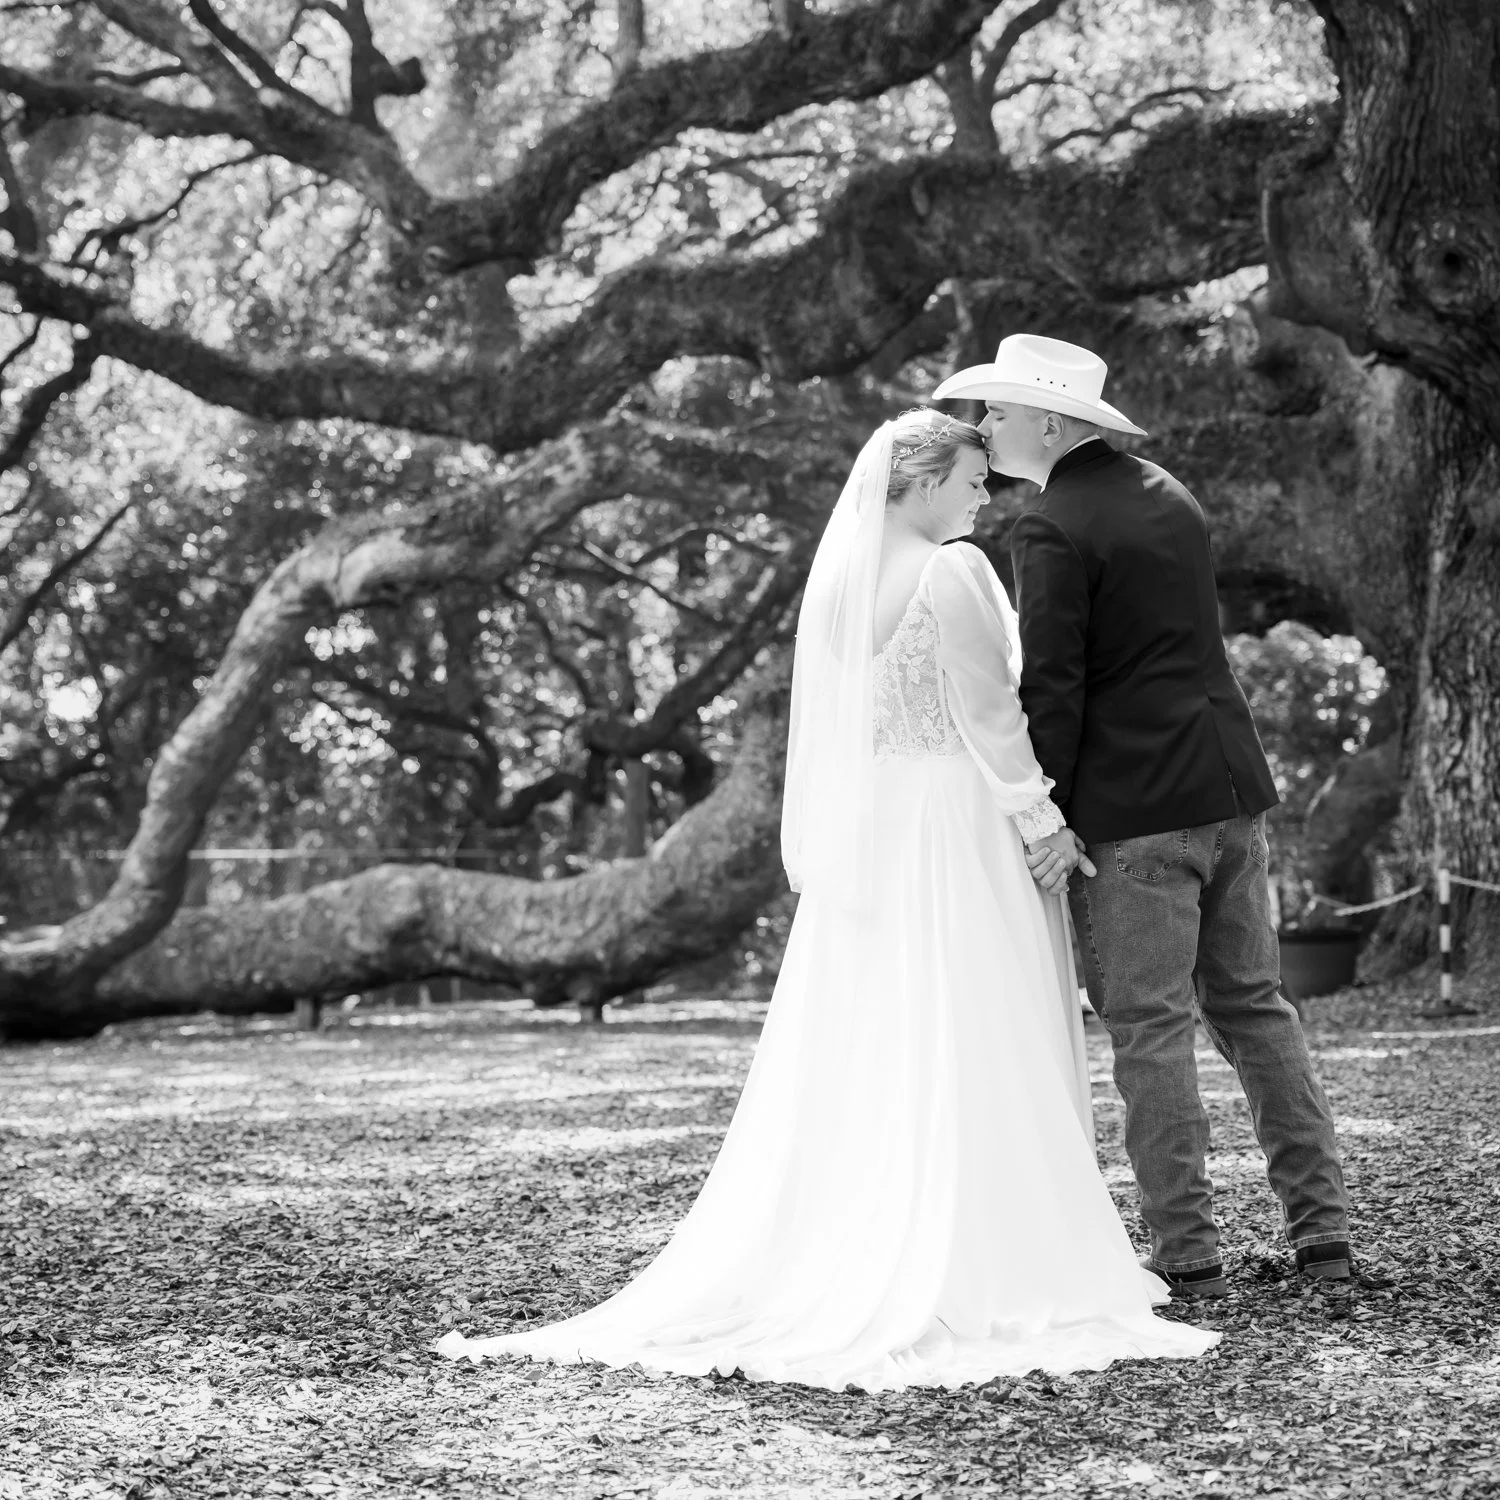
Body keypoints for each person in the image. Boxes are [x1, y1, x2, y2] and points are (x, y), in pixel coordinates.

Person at [435, 409, 1219, 1390]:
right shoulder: (953, 572)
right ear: (923, 482)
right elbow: (989, 714)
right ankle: (1000, 1251)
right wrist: (1039, 820)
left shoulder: (844, 581)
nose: (988, 497)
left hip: (884, 831)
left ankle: (879, 1228)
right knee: (979, 1022)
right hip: (958, 824)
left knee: (889, 1031)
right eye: (975, 479)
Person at [934, 335, 1351, 1299]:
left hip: (1132, 818)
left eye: (997, 411)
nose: (984, 428)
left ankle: (1189, 1259)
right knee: (1257, 1009)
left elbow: (1054, 694)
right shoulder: (1170, 494)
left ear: (1047, 420)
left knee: (1150, 1027)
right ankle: (1325, 1242)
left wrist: (1048, 818)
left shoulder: (1049, 527)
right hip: (1230, 795)